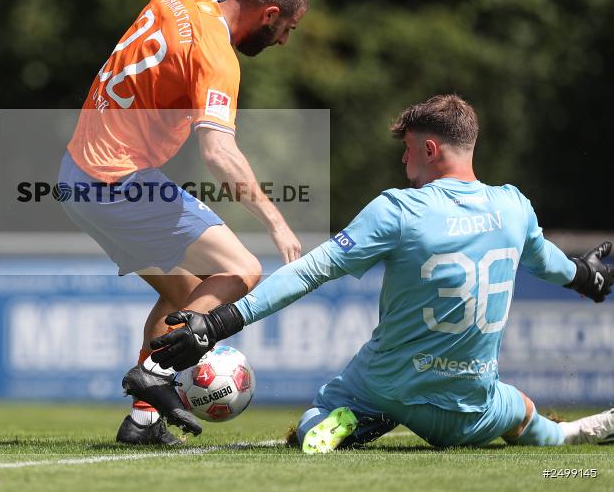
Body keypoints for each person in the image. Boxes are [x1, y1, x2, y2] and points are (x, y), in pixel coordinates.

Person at [150, 94, 614, 450]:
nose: (403, 160)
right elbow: (548, 262)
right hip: (470, 408)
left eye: (408, 149)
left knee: (318, 415)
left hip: (389, 387)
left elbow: (310, 272)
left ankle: (344, 420)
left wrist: (219, 321)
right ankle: (575, 434)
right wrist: (585, 277)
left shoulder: (399, 210)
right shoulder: (514, 207)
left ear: (430, 148)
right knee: (524, 413)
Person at [59, 0, 308, 445]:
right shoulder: (218, 58)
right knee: (241, 270)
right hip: (117, 180)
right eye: (287, 29)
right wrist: (276, 221)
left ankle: (142, 422)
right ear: (269, 14)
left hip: (75, 176)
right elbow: (218, 152)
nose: (283, 41)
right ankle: (154, 373)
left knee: (186, 297)